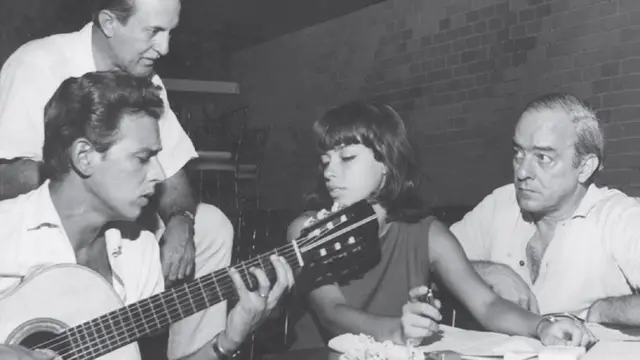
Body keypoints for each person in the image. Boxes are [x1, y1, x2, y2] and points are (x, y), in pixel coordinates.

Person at [0, 71, 295, 360]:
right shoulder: (6, 229)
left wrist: (228, 340)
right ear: (84, 157)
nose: (159, 174)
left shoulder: (136, 251)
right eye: (143, 158)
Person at [0, 1, 235, 358]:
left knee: (212, 227)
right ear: (109, 22)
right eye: (153, 31)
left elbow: (169, 172)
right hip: (46, 222)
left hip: (116, 218)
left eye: (171, 32)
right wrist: (80, 183)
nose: (166, 48)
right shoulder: (37, 64)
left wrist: (181, 220)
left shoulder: (147, 83)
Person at [287, 101, 595, 350]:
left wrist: (542, 326)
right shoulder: (308, 228)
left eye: (347, 157)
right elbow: (331, 313)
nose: (330, 172)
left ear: (386, 163)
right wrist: (398, 330)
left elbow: (486, 304)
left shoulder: (427, 232)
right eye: (326, 161)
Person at [450, 93, 640, 324]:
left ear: (584, 167)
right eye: (518, 153)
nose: (522, 172)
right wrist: (488, 272)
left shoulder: (619, 218)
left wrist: (604, 311)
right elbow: (426, 260)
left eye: (543, 157)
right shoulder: (502, 203)